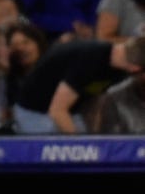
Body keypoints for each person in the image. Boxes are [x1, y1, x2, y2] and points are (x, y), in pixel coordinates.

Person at [12, 36, 145, 133]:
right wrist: (81, 146)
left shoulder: (120, 66)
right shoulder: (90, 60)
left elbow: (96, 101)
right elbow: (57, 111)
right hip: (34, 112)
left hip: (72, 112)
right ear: (136, 69)